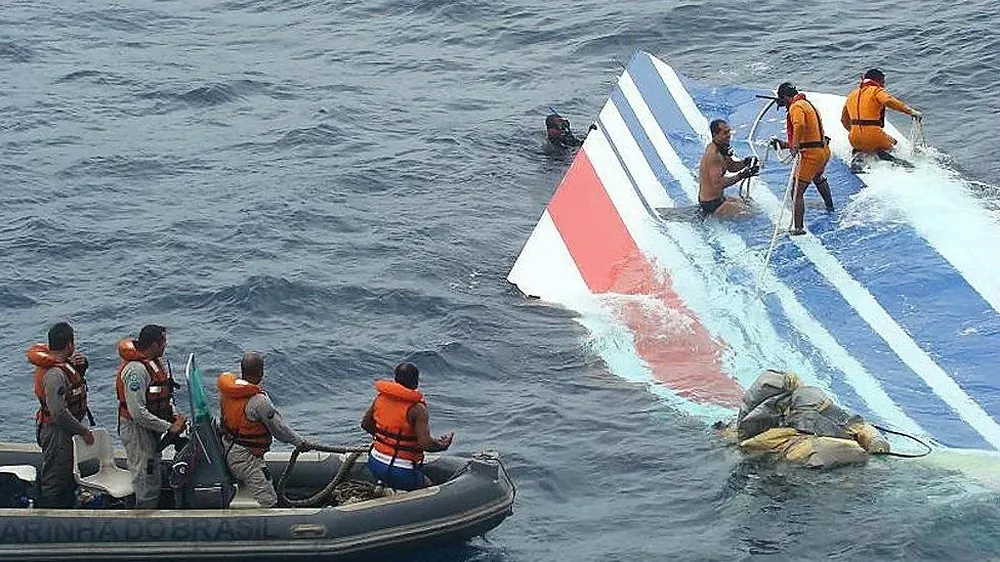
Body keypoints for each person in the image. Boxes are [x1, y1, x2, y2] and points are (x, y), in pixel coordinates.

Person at [218, 352, 313, 508]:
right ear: (261, 373)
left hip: (229, 449)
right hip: (245, 459)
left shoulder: (227, 393)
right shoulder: (259, 401)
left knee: (265, 481)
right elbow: (279, 430)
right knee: (269, 500)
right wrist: (300, 442)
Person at [116, 324, 185, 509]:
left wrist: (175, 417)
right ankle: (143, 518)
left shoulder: (155, 364)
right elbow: (137, 413)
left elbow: (164, 395)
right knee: (145, 476)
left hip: (152, 427)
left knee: (152, 471)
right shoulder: (136, 371)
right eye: (163, 342)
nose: (165, 346)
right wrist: (168, 427)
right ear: (154, 345)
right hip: (136, 429)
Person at [27, 322, 95, 508]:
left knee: (66, 474)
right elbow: (58, 413)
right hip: (57, 432)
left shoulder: (65, 365)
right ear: (69, 345)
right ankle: (50, 516)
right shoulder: (55, 374)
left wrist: (80, 369)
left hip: (65, 429)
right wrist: (83, 431)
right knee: (55, 478)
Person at [360, 362, 454, 491]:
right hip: (401, 470)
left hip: (374, 463)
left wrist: (387, 440)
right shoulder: (417, 409)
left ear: (395, 379)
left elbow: (365, 424)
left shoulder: (380, 398)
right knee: (428, 487)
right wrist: (442, 445)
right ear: (416, 382)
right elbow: (425, 444)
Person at [769, 82, 835, 236]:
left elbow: (799, 125)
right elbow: (810, 136)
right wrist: (785, 145)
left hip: (811, 155)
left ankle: (797, 228)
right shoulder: (807, 104)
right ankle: (830, 207)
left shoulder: (796, 107)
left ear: (785, 97)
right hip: (823, 151)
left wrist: (794, 146)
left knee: (796, 192)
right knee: (818, 177)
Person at [840, 68, 921, 171]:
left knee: (863, 146)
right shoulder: (876, 90)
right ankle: (884, 155)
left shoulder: (851, 95)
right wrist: (910, 111)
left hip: (854, 139)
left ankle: (860, 154)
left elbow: (843, 120)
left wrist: (856, 132)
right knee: (895, 143)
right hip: (875, 137)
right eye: (883, 82)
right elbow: (888, 100)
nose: (883, 86)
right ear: (877, 81)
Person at [698, 119, 759, 217]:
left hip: (720, 198)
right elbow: (717, 184)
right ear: (715, 135)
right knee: (751, 214)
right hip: (711, 204)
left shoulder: (722, 148)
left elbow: (731, 167)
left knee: (750, 204)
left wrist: (745, 162)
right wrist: (742, 175)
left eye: (729, 131)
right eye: (725, 133)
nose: (729, 135)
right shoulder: (713, 155)